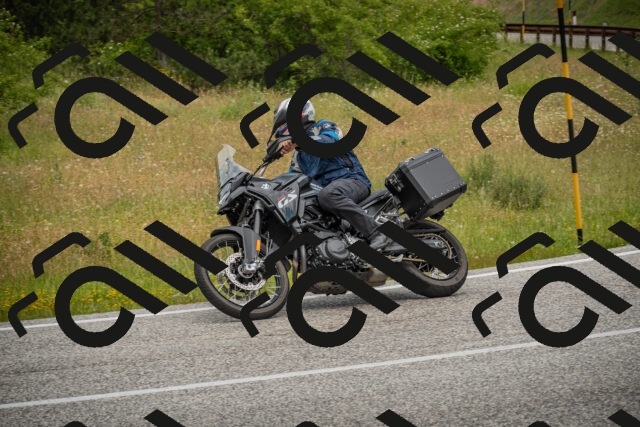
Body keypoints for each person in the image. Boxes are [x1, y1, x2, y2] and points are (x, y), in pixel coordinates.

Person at [273, 98, 391, 250]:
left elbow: (330, 140)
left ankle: (376, 232)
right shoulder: (298, 157)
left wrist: (299, 141)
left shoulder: (324, 126)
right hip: (328, 197)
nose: (285, 128)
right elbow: (291, 182)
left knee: (328, 195)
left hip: (353, 181)